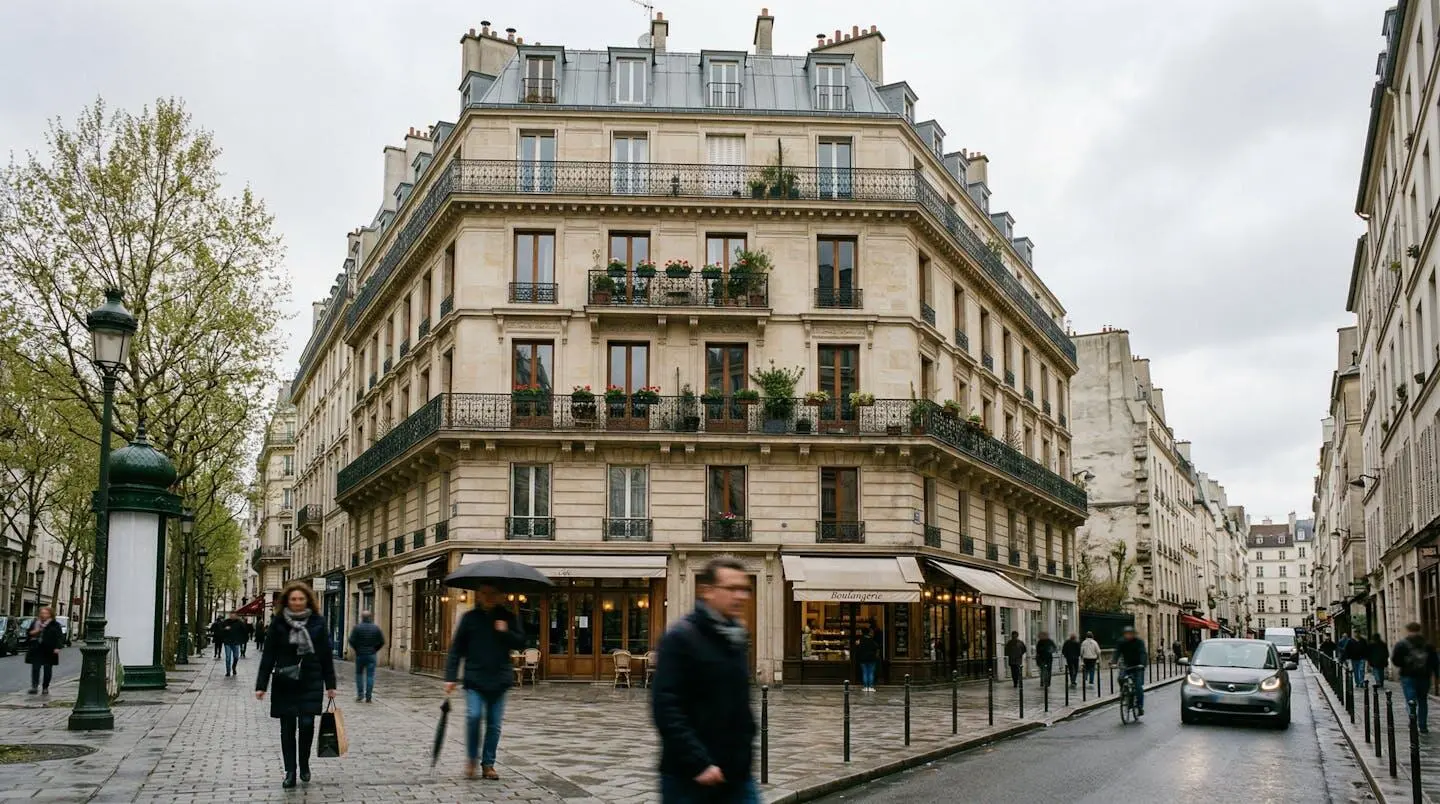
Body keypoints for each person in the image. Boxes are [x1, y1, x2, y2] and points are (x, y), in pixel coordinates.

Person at [651, 557, 758, 804]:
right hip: (691, 778)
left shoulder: (736, 638)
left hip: (737, 775)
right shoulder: (681, 638)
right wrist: (699, 763)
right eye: (732, 589)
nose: (741, 596)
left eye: (745, 589)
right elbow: (666, 708)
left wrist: (744, 752)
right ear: (707, 591)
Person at [255, 581, 337, 790]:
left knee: (307, 724)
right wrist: (261, 684)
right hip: (286, 680)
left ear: (307, 600)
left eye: (301, 599)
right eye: (293, 599)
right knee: (287, 728)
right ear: (287, 601)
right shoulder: (278, 623)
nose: (298, 602)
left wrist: (330, 683)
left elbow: (326, 654)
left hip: (311, 678)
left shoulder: (318, 622)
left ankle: (304, 763)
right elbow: (269, 654)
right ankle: (290, 771)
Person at [444, 585, 525, 781]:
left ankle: (488, 764)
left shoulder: (508, 617)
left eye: (493, 593)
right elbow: (456, 649)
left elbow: (521, 642)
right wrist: (451, 677)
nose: (489, 597)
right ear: (479, 595)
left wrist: (505, 631)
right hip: (474, 678)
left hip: (499, 679)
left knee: (494, 724)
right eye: (485, 593)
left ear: (500, 595)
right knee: (473, 716)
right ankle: (472, 757)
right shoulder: (470, 618)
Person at [1392, 622, 1440, 734]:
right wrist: (1436, 675)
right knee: (1423, 701)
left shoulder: (1402, 645)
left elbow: (1395, 660)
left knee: (1410, 700)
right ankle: (1423, 725)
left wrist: (1404, 664)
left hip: (1407, 676)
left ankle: (1413, 721)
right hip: (1424, 676)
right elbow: (1435, 662)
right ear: (1420, 630)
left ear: (1408, 630)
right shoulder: (1428, 645)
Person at [348, 611, 386, 703]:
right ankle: (368, 696)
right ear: (370, 617)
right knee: (370, 675)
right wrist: (375, 649)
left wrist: (357, 649)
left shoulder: (357, 628)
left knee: (359, 675)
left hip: (360, 655)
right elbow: (382, 641)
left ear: (362, 617)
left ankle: (360, 695)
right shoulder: (375, 628)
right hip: (371, 655)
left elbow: (351, 640)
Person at [25, 607, 63, 695]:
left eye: (45, 613)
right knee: (35, 668)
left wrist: (57, 647)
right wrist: (35, 632)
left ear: (50, 614)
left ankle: (45, 687)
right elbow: (29, 633)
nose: (43, 615)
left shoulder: (55, 624)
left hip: (49, 650)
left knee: (47, 669)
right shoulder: (35, 623)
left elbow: (59, 637)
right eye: (42, 613)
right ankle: (34, 686)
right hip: (37, 648)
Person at [1113, 626, 1148, 717]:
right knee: (1120, 678)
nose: (1128, 636)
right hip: (1127, 666)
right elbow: (1117, 652)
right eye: (1126, 634)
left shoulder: (1139, 642)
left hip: (1137, 666)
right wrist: (1113, 662)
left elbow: (1143, 653)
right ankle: (1124, 693)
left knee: (1138, 686)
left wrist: (1142, 664)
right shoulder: (1121, 642)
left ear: (1133, 634)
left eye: (1130, 634)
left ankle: (1140, 706)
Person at [854, 628, 881, 693]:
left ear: (862, 633)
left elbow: (857, 649)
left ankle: (866, 687)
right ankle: (871, 687)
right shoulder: (872, 640)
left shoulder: (859, 641)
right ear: (869, 633)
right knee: (871, 672)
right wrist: (876, 656)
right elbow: (877, 648)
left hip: (863, 659)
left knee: (865, 672)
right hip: (872, 659)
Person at [221, 612, 246, 677]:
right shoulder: (225, 622)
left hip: (236, 642)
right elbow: (220, 630)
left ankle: (234, 667)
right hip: (227, 642)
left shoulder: (239, 623)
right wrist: (225, 629)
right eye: (231, 616)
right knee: (228, 657)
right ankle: (228, 671)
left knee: (236, 657)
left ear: (236, 616)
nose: (232, 617)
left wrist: (242, 640)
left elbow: (244, 631)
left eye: (233, 616)